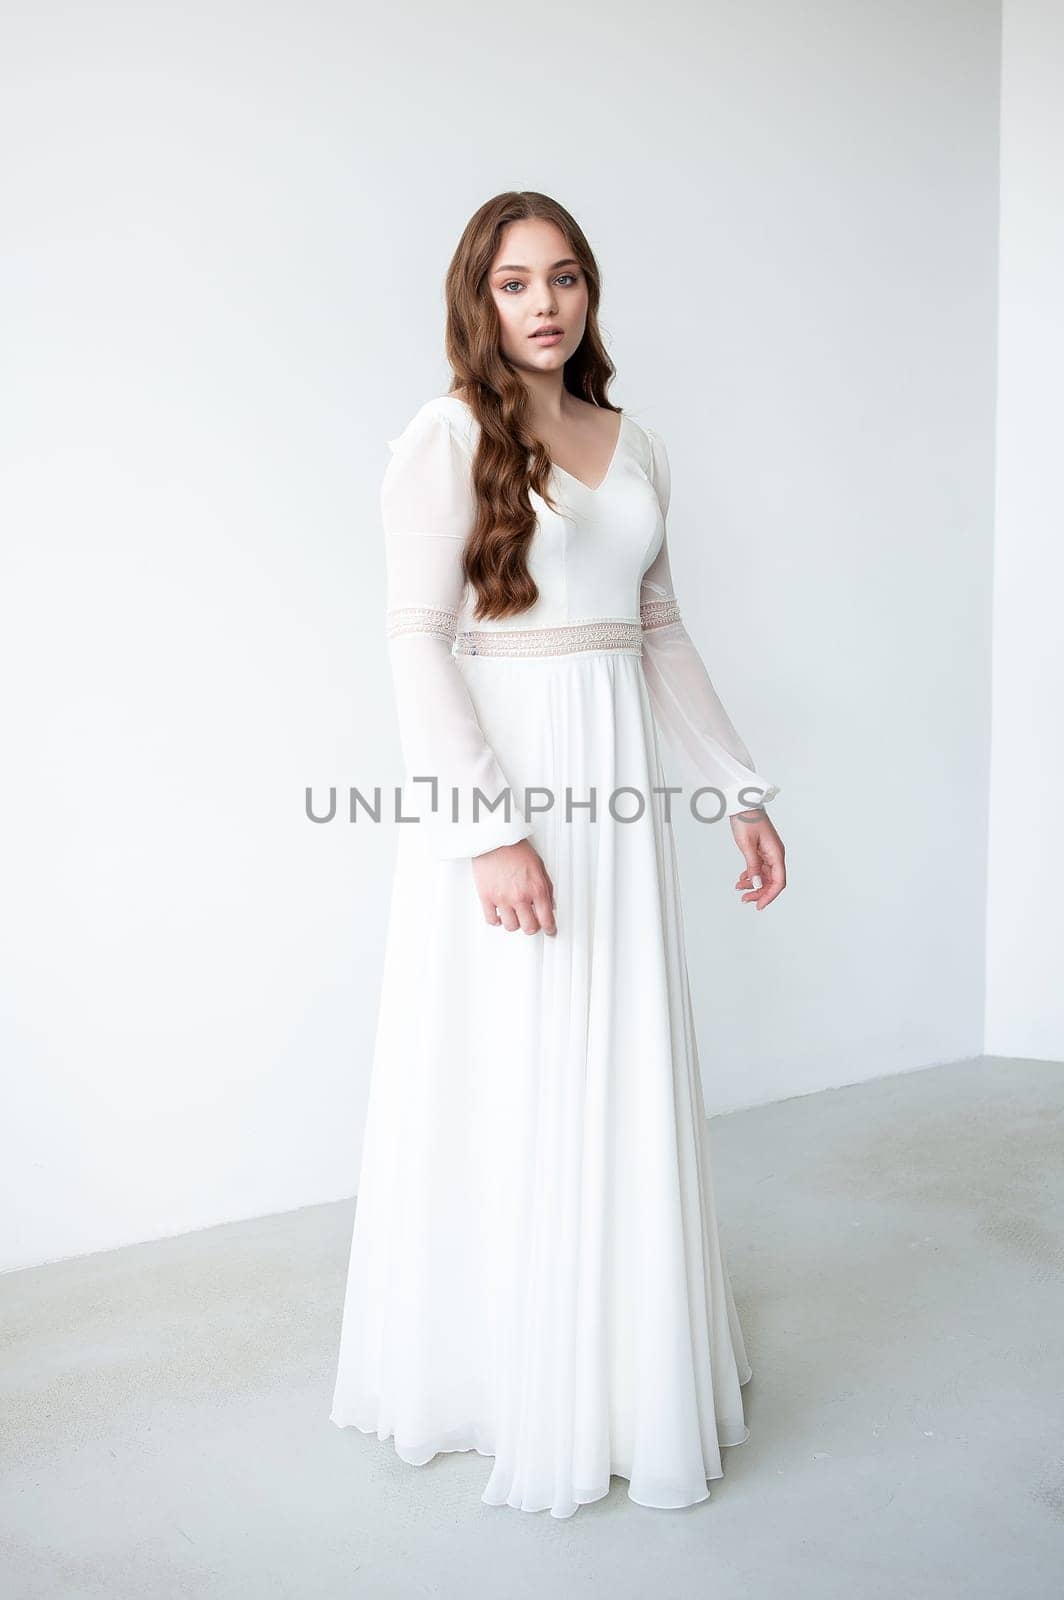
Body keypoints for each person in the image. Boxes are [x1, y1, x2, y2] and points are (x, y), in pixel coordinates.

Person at [330, 190, 787, 1518]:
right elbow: (416, 635)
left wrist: (739, 789)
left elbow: (660, 630)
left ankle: (622, 1367)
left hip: (619, 787)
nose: (545, 304)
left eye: (567, 279)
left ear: (590, 295)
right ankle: (505, 1374)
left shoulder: (631, 439)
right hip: (512, 782)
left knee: (619, 1053)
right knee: (515, 1060)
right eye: (518, 282)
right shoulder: (447, 433)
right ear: (479, 296)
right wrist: (488, 831)